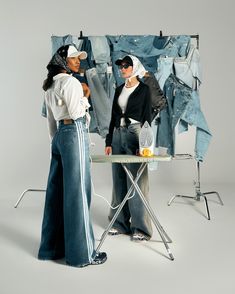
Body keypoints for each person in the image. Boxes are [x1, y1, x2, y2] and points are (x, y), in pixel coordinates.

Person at [38, 44, 107, 267]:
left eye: (79, 58)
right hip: (74, 132)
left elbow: (50, 122)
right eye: (74, 58)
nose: (78, 61)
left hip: (59, 135)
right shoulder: (70, 82)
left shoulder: (49, 86)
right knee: (78, 193)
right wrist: (85, 95)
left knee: (56, 192)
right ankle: (82, 255)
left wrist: (56, 142)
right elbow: (78, 113)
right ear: (63, 61)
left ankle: (51, 249)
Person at [105, 55, 153, 241]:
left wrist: (145, 144)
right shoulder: (118, 90)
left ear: (135, 67)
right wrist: (109, 141)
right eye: (121, 66)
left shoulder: (144, 90)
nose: (123, 69)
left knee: (137, 181)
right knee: (118, 180)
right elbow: (112, 117)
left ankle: (141, 228)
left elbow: (147, 118)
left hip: (135, 133)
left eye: (126, 66)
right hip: (118, 134)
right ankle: (119, 223)